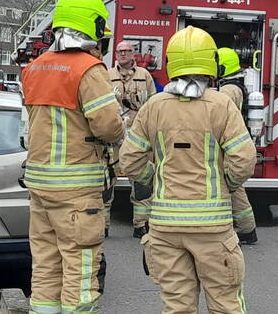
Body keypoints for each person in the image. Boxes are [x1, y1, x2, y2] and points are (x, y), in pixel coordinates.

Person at [120, 27, 256, 314]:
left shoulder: (153, 106)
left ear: (171, 63)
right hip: (212, 228)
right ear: (210, 63)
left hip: (165, 228)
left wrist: (154, 179)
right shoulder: (221, 105)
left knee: (177, 306)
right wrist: (225, 182)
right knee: (226, 305)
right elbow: (244, 159)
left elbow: (129, 159)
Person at [22, 0, 125, 314]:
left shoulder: (36, 67)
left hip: (39, 185)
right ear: (91, 26)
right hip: (76, 188)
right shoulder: (89, 70)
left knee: (45, 266)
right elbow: (108, 127)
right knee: (80, 270)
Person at [104, 40, 156, 238]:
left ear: (134, 54)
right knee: (106, 181)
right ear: (115, 54)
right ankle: (103, 225)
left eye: (127, 51)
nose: (123, 54)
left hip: (138, 136)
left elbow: (153, 103)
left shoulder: (145, 76)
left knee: (142, 181)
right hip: (114, 135)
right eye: (120, 51)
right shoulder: (107, 75)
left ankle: (140, 225)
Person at [216, 47, 257, 245]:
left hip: (228, 144)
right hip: (234, 142)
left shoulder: (228, 90)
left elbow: (220, 117)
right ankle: (245, 228)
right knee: (233, 186)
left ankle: (246, 229)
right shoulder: (235, 85)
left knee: (232, 187)